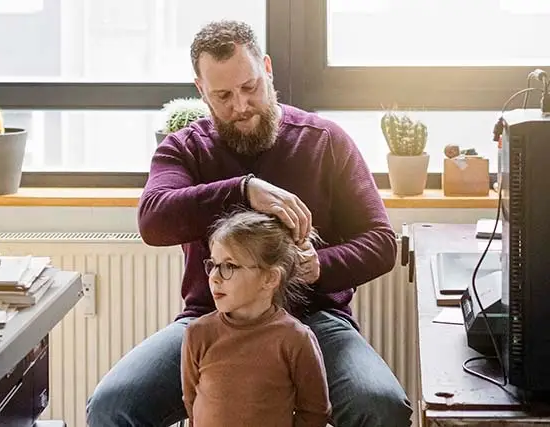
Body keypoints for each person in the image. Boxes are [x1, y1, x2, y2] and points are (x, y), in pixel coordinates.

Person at [87, 20, 412, 427]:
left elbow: (382, 242)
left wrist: (318, 267)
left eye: (250, 87)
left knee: (381, 406)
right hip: (212, 319)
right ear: (200, 91)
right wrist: (242, 191)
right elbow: (154, 219)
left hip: (314, 318)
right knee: (111, 405)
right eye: (222, 95)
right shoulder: (185, 149)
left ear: (268, 70)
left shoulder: (324, 140)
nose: (240, 106)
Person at [181, 210, 331, 427]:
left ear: (270, 278)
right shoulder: (198, 334)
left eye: (229, 266)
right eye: (213, 264)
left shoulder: (295, 339)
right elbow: (191, 401)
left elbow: (315, 412)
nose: (214, 277)